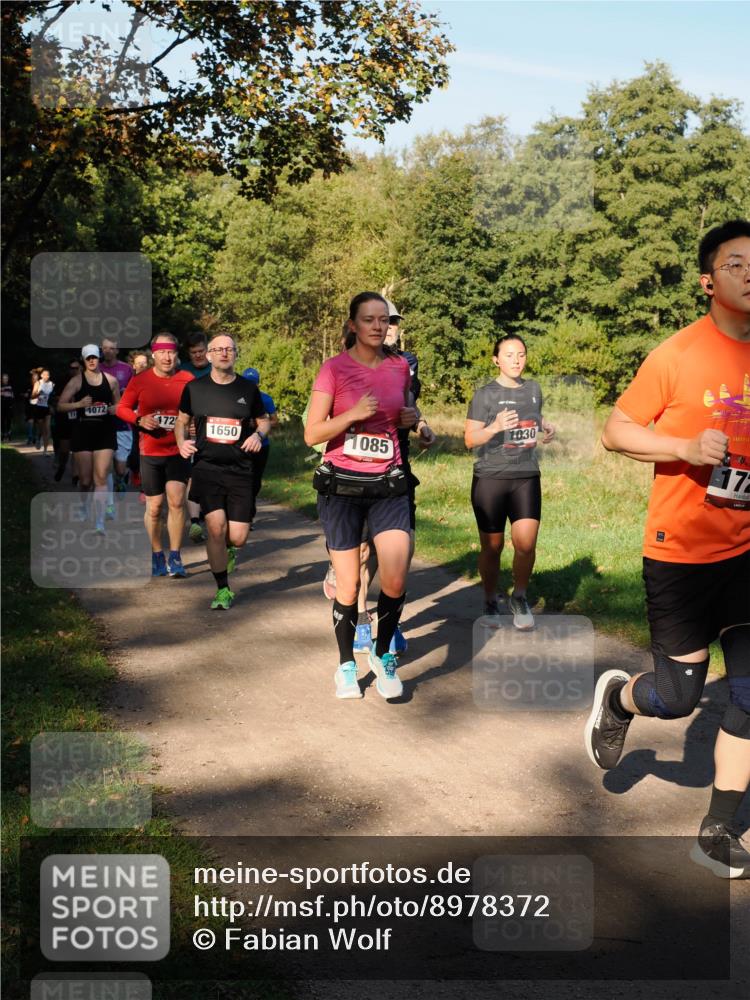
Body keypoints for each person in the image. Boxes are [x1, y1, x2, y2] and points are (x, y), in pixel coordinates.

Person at [585, 219, 750, 879]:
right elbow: (615, 431)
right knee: (681, 697)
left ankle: (716, 834)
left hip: (748, 553)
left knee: (748, 692)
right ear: (709, 281)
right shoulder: (678, 354)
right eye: (738, 263)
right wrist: (682, 448)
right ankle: (622, 698)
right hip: (682, 551)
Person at [305, 291, 417, 701]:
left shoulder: (400, 366)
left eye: (383, 320)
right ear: (353, 325)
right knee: (349, 588)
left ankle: (384, 655)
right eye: (368, 319)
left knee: (396, 574)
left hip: (388, 485)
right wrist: (351, 415)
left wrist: (413, 420)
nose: (377, 326)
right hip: (342, 488)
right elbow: (312, 433)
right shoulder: (333, 369)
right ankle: (346, 666)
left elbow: (404, 415)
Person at [351, 300, 436, 654]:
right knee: (362, 550)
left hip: (395, 464)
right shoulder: (347, 361)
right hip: (355, 466)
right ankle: (359, 616)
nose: (388, 328)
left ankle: (391, 619)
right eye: (379, 320)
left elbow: (406, 405)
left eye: (393, 322)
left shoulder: (406, 363)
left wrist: (421, 424)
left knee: (402, 548)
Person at [464, 335, 555, 629]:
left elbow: (532, 416)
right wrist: (495, 427)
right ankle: (490, 600)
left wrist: (544, 425)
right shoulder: (484, 395)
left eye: (521, 355)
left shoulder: (533, 389)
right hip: (491, 478)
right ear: (496, 360)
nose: (516, 360)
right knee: (492, 547)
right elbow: (469, 439)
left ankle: (519, 596)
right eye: (510, 355)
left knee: (526, 544)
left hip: (526, 475)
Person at [175, 333, 270, 609]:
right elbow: (181, 421)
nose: (224, 353)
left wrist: (258, 436)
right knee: (215, 528)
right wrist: (181, 442)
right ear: (209, 355)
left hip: (240, 469)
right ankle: (222, 589)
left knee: (237, 537)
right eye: (218, 349)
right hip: (207, 467)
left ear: (236, 354)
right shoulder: (194, 389)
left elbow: (263, 422)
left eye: (229, 349)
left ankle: (229, 550)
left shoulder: (247, 389)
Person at [117, 332, 195, 578]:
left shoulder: (187, 379)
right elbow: (122, 408)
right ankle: (156, 553)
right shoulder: (141, 380)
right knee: (154, 507)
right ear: (154, 354)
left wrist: (195, 426)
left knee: (176, 501)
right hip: (150, 451)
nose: (167, 357)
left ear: (177, 354)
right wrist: (139, 419)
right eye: (162, 352)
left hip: (178, 450)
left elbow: (201, 411)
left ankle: (175, 555)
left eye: (171, 352)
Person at [56, 345, 119, 532]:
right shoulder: (76, 381)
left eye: (95, 357)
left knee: (100, 477)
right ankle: (84, 505)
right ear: (83, 360)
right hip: (82, 432)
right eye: (88, 358)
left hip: (105, 433)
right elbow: (60, 406)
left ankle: (99, 521)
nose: (92, 361)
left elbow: (120, 404)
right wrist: (79, 404)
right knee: (85, 481)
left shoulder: (111, 381)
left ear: (100, 358)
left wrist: (115, 409)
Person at [100, 337, 134, 513]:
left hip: (122, 423)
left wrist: (121, 406)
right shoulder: (96, 368)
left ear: (117, 350)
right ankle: (109, 504)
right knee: (104, 467)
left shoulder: (126, 369)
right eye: (105, 348)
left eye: (111, 348)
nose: (108, 351)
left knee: (119, 468)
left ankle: (123, 477)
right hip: (102, 423)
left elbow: (135, 394)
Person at [242, 367, 279, 509]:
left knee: (256, 480)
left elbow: (275, 421)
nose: (250, 386)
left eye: (253, 383)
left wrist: (260, 423)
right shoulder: (237, 398)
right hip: (242, 445)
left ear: (258, 384)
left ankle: (250, 503)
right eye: (247, 383)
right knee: (244, 478)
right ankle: (247, 510)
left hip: (262, 445)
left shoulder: (266, 399)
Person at [52, 359, 82, 482]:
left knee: (76, 448)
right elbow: (58, 400)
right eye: (71, 368)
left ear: (81, 368)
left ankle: (75, 475)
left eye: (76, 368)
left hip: (79, 419)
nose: (74, 370)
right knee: (65, 450)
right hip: (64, 419)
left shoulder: (86, 381)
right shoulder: (62, 381)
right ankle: (62, 465)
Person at [30, 369, 55, 454]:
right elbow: (32, 396)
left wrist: (52, 406)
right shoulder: (38, 383)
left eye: (48, 375)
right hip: (39, 407)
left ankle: (45, 450)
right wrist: (38, 393)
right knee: (41, 428)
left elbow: (53, 397)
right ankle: (38, 437)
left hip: (47, 408)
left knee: (47, 429)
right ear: (41, 376)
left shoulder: (52, 384)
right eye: (44, 375)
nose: (46, 376)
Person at [1, 373, 15, 441]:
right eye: (3, 378)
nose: (5, 380)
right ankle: (3, 434)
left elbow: (12, 396)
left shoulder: (10, 386)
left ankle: (9, 434)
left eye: (6, 378)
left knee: (9, 420)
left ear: (8, 379)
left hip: (9, 406)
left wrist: (11, 405)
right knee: (2, 420)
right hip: (2, 406)